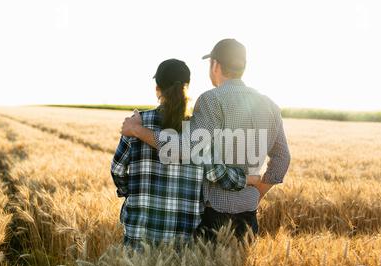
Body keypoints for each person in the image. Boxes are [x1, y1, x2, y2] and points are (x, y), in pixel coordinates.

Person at [121, 39, 290, 241]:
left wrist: (137, 130)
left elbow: (185, 148)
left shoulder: (211, 100)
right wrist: (257, 193)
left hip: (214, 217)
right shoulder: (270, 105)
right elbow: (282, 158)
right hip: (249, 216)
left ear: (216, 65)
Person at [111, 59, 255, 250]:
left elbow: (118, 169)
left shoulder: (136, 124)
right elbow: (215, 174)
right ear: (186, 88)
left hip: (138, 236)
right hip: (181, 245)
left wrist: (132, 193)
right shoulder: (198, 129)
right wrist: (244, 179)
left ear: (157, 89)